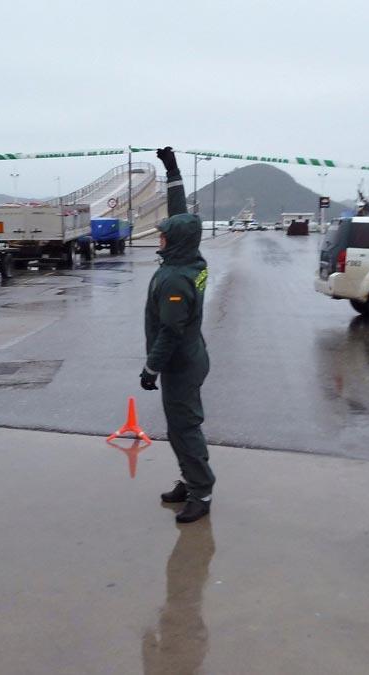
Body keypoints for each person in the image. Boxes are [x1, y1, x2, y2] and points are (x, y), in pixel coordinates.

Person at [140, 146, 214, 524]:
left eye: (164, 237)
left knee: (184, 428)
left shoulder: (174, 279)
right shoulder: (191, 258)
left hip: (180, 362)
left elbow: (169, 331)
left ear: (177, 242)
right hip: (193, 355)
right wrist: (173, 171)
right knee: (180, 426)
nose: (161, 240)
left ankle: (201, 491)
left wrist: (151, 367)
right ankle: (190, 478)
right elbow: (180, 217)